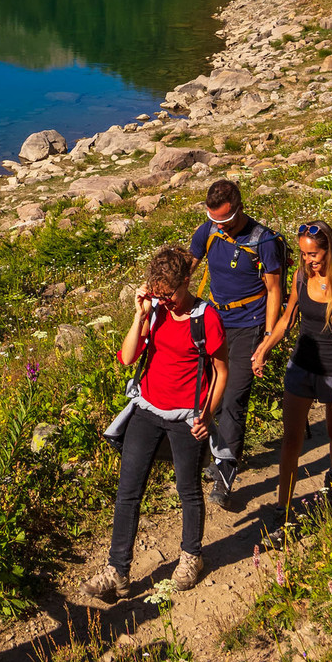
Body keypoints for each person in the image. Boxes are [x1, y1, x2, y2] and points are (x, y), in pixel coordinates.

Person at [88, 242, 228, 601]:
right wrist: (140, 314)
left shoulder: (206, 317)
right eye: (159, 295)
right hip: (147, 411)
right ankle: (117, 571)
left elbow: (221, 370)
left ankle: (191, 556)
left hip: (186, 418)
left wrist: (207, 415)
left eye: (170, 295)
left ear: (187, 281)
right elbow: (128, 357)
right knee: (128, 492)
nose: (165, 301)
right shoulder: (155, 311)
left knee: (188, 490)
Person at [254, 219, 332, 529]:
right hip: (301, 366)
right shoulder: (301, 278)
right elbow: (288, 318)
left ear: (329, 251)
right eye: (304, 255)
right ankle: (283, 505)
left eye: (313, 254)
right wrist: (265, 348)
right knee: (290, 440)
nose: (308, 261)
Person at [188, 179, 287, 506]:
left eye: (225, 221)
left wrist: (268, 340)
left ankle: (225, 472)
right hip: (214, 322)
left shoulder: (265, 241)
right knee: (203, 390)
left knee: (233, 398)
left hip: (250, 325)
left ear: (240, 208)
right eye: (213, 220)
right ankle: (210, 454)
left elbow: (275, 292)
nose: (220, 227)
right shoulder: (208, 231)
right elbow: (187, 269)